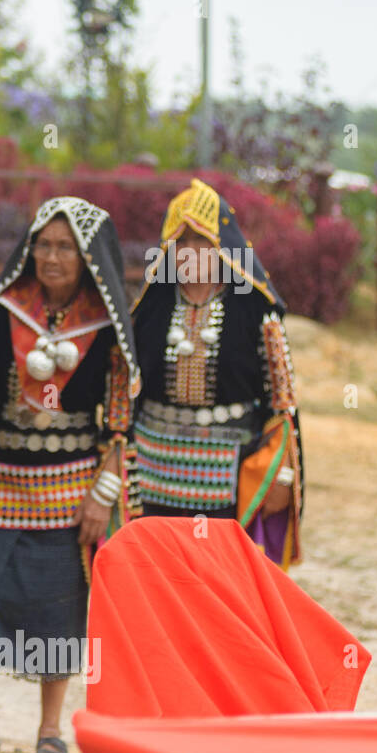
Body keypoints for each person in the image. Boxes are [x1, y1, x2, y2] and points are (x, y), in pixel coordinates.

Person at [0, 197, 139, 753]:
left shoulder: (103, 328)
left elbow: (122, 422)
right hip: (1, 484)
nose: (52, 257)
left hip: (70, 490)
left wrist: (104, 495)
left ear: (89, 258)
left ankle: (51, 729)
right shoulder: (7, 311)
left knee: (56, 607)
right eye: (44, 245)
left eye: (66, 248)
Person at [132, 178, 303, 568]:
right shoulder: (148, 308)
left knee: (218, 582)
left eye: (202, 241)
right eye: (182, 240)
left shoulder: (254, 309)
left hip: (228, 475)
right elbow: (125, 392)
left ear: (224, 246)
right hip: (151, 473)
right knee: (160, 581)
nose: (191, 251)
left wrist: (282, 477)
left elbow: (283, 402)